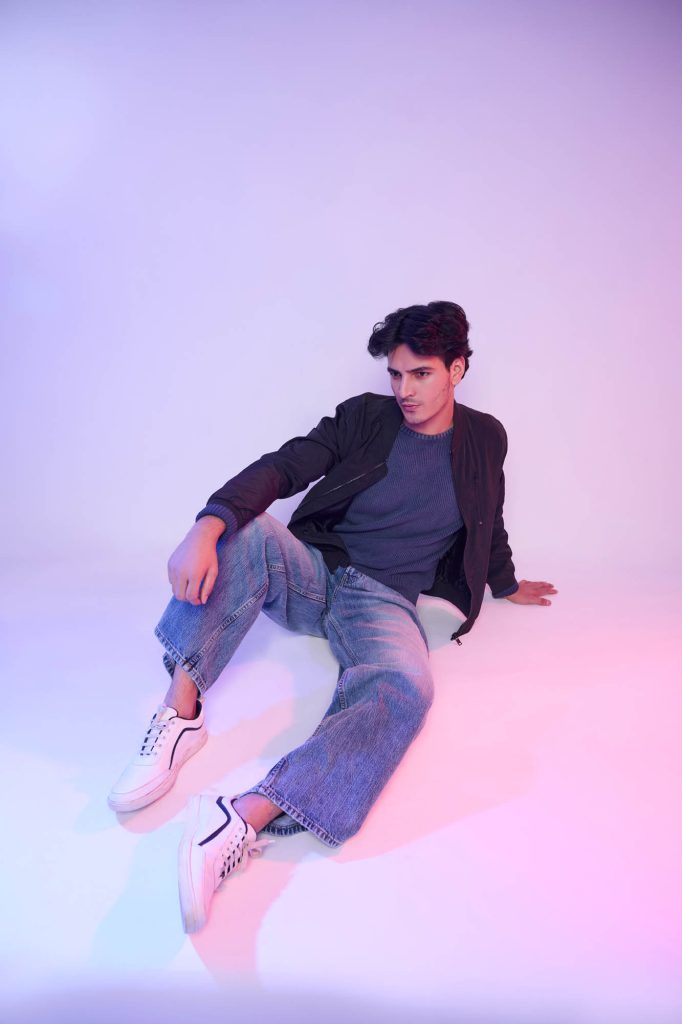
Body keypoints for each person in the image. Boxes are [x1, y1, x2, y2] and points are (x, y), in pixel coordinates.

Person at [108, 300, 557, 932]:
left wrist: (505, 584)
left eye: (421, 374)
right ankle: (181, 717)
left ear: (457, 369)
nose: (404, 390)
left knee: (407, 686)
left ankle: (239, 818)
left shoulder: (486, 438)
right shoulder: (366, 417)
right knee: (249, 529)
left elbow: (490, 514)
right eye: (395, 374)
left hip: (384, 601)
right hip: (318, 571)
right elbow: (284, 465)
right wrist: (209, 523)